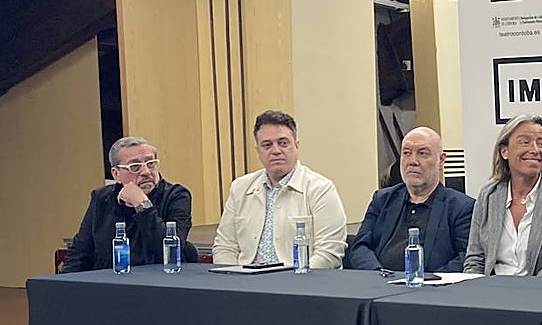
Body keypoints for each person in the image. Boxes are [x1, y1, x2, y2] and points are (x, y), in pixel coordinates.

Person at [212, 110, 347, 269]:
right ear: (258, 151)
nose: (276, 150)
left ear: (296, 146)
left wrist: (295, 281)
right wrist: (233, 279)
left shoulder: (320, 189)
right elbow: (225, 247)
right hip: (245, 284)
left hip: (301, 285)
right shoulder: (240, 188)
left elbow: (330, 252)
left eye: (283, 143)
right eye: (267, 145)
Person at [463, 114, 542, 277]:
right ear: (504, 151)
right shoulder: (488, 195)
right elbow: (475, 259)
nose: (535, 150)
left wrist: (524, 294)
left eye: (541, 144)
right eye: (525, 142)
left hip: (536, 295)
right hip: (489, 293)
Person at [348, 127, 474, 272]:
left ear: (441, 160)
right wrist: (378, 274)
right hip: (380, 285)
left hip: (432, 290)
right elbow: (360, 247)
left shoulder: (461, 207)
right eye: (406, 153)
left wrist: (428, 281)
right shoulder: (382, 200)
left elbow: (466, 257)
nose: (413, 161)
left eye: (423, 153)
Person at [62, 137, 192, 272]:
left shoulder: (177, 196)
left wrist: (142, 204)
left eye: (151, 163)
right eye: (135, 166)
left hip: (159, 284)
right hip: (109, 284)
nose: (146, 172)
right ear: (116, 174)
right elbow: (80, 253)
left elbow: (169, 252)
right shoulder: (101, 199)